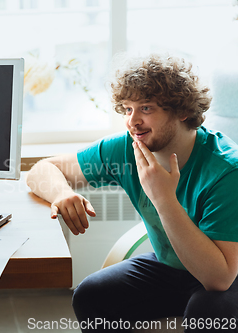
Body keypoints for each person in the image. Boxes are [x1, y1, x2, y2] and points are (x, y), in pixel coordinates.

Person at [26, 54, 238, 332]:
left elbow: (218, 279)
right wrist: (61, 195)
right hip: (172, 268)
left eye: (146, 108)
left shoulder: (226, 171)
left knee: (207, 311)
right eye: (127, 109)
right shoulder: (128, 147)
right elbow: (42, 170)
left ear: (181, 111)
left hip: (227, 272)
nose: (133, 121)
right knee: (91, 294)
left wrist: (163, 198)